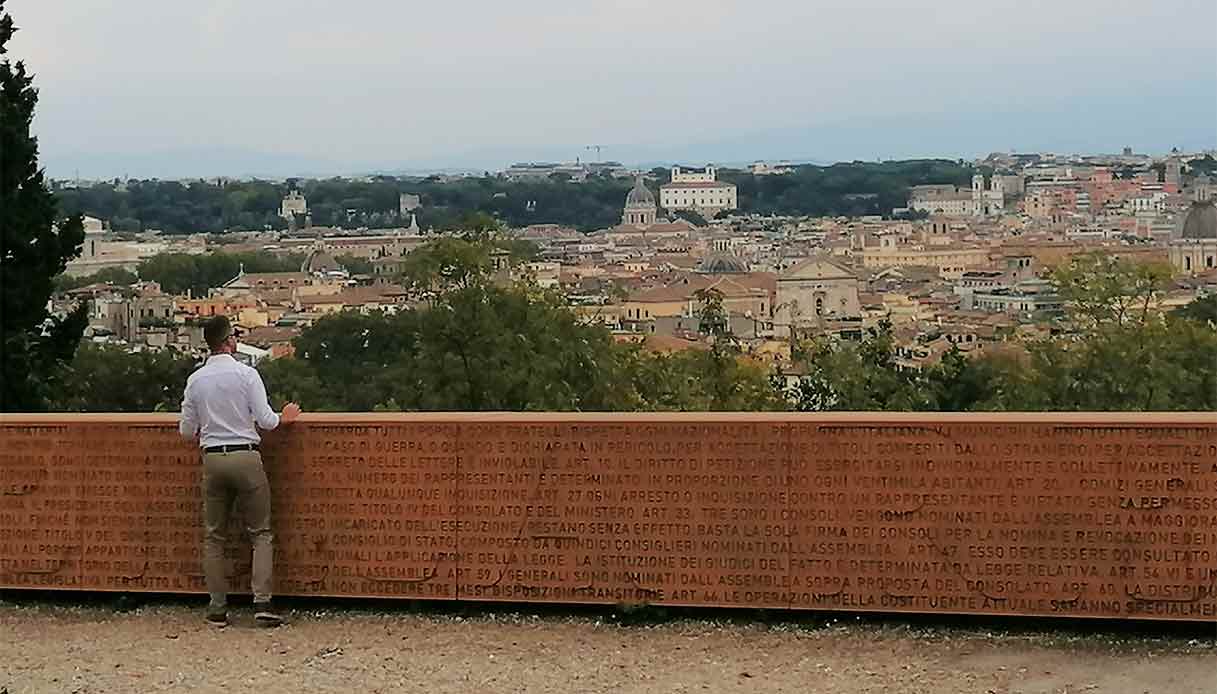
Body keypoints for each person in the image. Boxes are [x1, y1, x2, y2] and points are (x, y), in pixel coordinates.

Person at [179, 315, 301, 628]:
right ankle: (262, 602)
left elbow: (186, 430)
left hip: (213, 458)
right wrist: (286, 416)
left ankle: (217, 607)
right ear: (229, 340)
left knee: (214, 536)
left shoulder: (196, 380)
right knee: (260, 532)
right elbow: (266, 420)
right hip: (245, 456)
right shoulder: (247, 374)